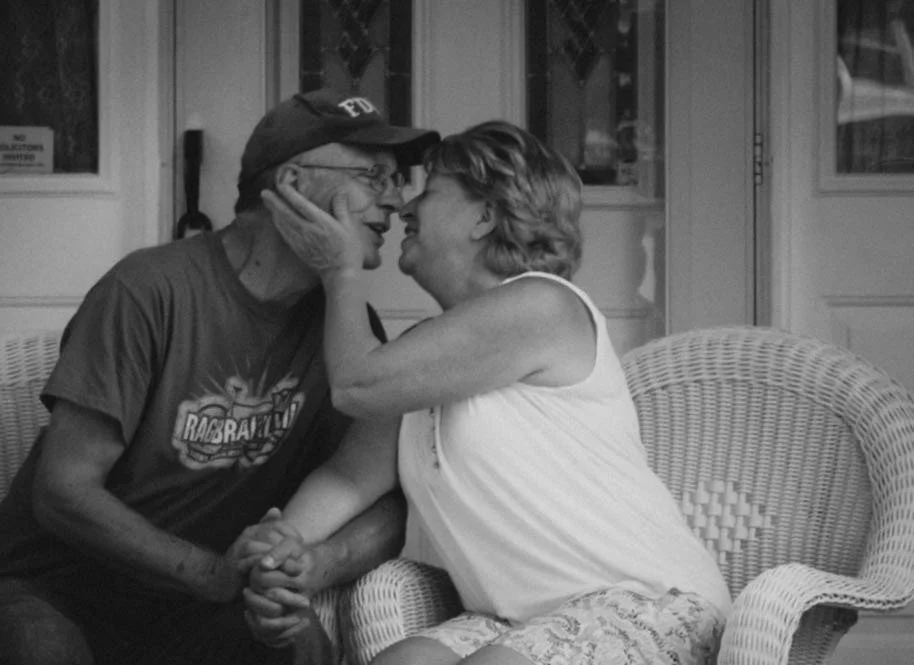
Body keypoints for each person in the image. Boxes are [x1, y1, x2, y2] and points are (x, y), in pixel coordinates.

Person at [244, 120, 733, 665]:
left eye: (427, 193)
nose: (405, 208)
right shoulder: (416, 360)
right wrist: (279, 546)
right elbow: (349, 477)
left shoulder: (543, 306)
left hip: (646, 602)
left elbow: (354, 386)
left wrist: (339, 272)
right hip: (518, 621)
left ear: (484, 216)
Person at [0, 88, 439, 665]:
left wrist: (314, 565)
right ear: (292, 182)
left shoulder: (347, 331)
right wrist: (209, 574)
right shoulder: (148, 292)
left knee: (302, 651)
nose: (397, 202)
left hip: (201, 610)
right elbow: (62, 492)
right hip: (64, 590)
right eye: (375, 176)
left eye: (398, 180)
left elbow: (384, 500)